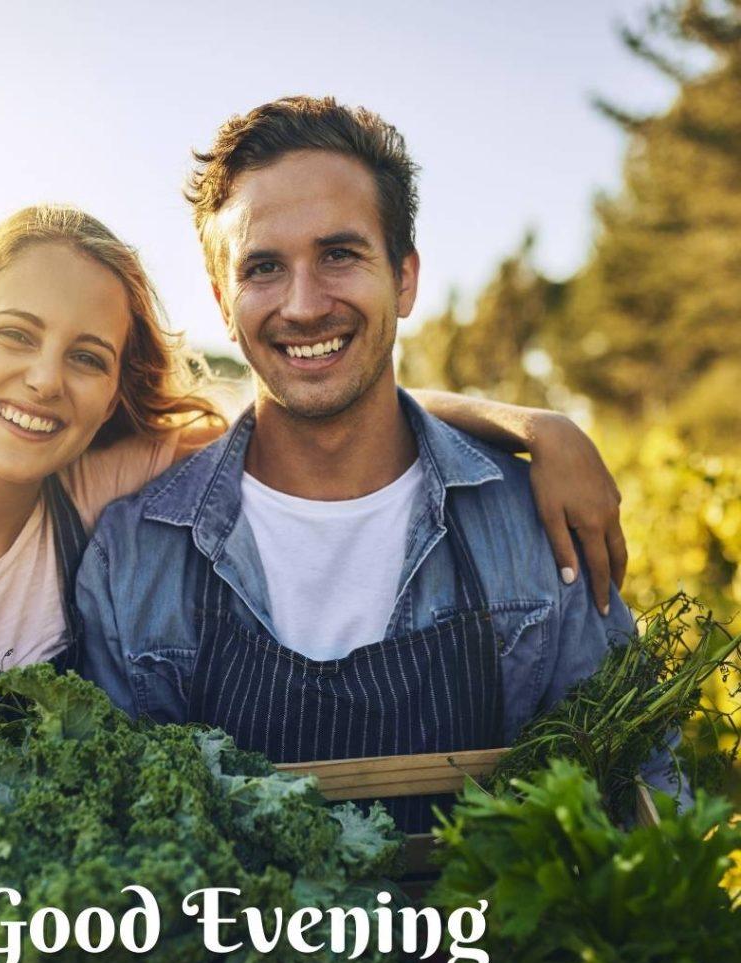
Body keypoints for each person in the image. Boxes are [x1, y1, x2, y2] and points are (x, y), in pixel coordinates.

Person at [0, 202, 622, 963]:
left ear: (113, 390)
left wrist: (539, 428)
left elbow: (315, 398)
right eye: (14, 335)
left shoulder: (93, 493)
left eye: (86, 358)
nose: (43, 380)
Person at [76, 96, 685, 833]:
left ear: (404, 278)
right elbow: (112, 845)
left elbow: (644, 795)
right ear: (222, 300)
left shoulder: (532, 523)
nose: (303, 305)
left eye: (339, 254)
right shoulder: (137, 554)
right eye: (263, 267)